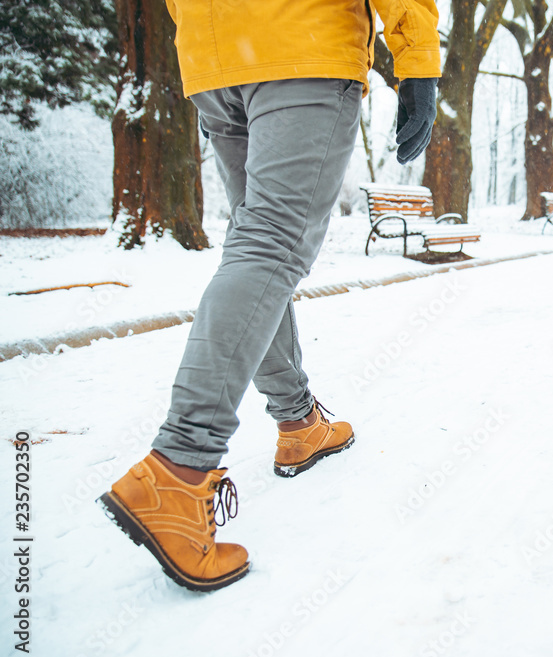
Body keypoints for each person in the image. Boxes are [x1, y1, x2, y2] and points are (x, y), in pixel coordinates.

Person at [97, 0, 441, 592]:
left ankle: (298, 420)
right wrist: (418, 63)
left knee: (255, 245)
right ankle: (179, 469)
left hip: (215, 55)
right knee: (269, 248)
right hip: (301, 40)